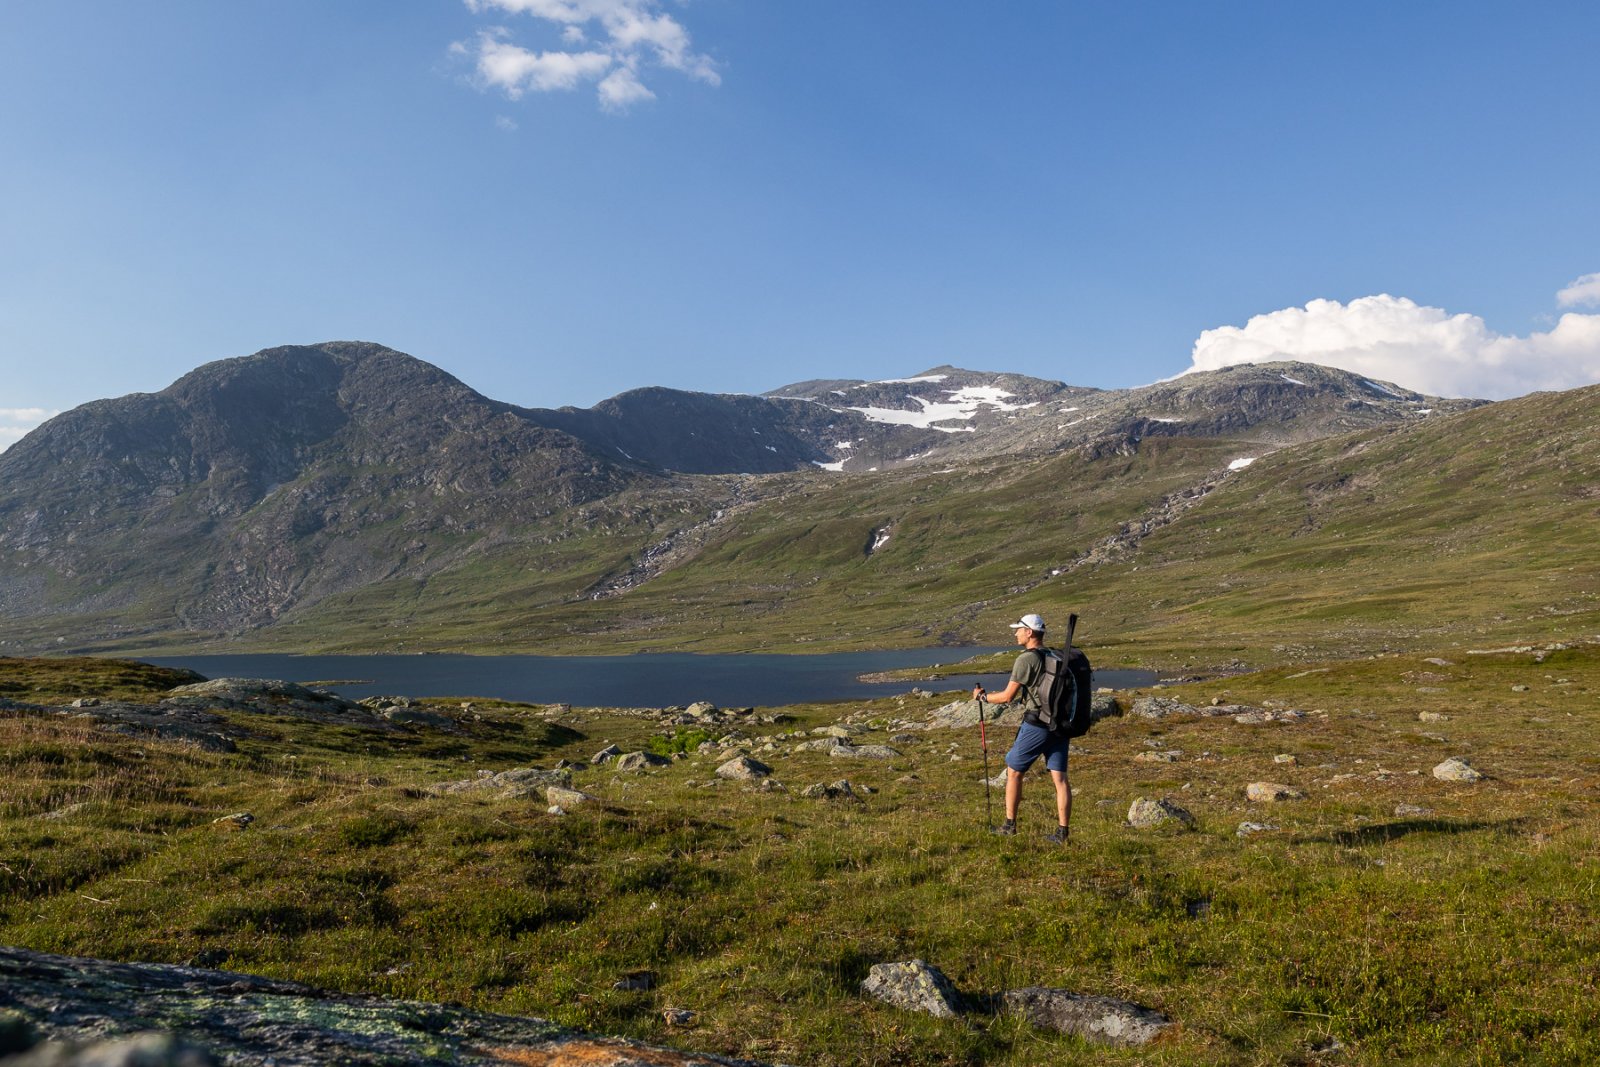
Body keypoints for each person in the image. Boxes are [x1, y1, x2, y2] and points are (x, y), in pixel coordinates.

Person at [973, 613, 1071, 843]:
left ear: (1029, 632)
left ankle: (1010, 825)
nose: (1015, 633)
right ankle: (1062, 833)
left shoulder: (1026, 659)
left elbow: (1007, 697)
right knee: (1060, 779)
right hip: (1060, 724)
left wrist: (982, 697)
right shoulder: (1053, 654)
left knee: (1014, 771)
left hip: (1037, 724)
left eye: (1019, 629)